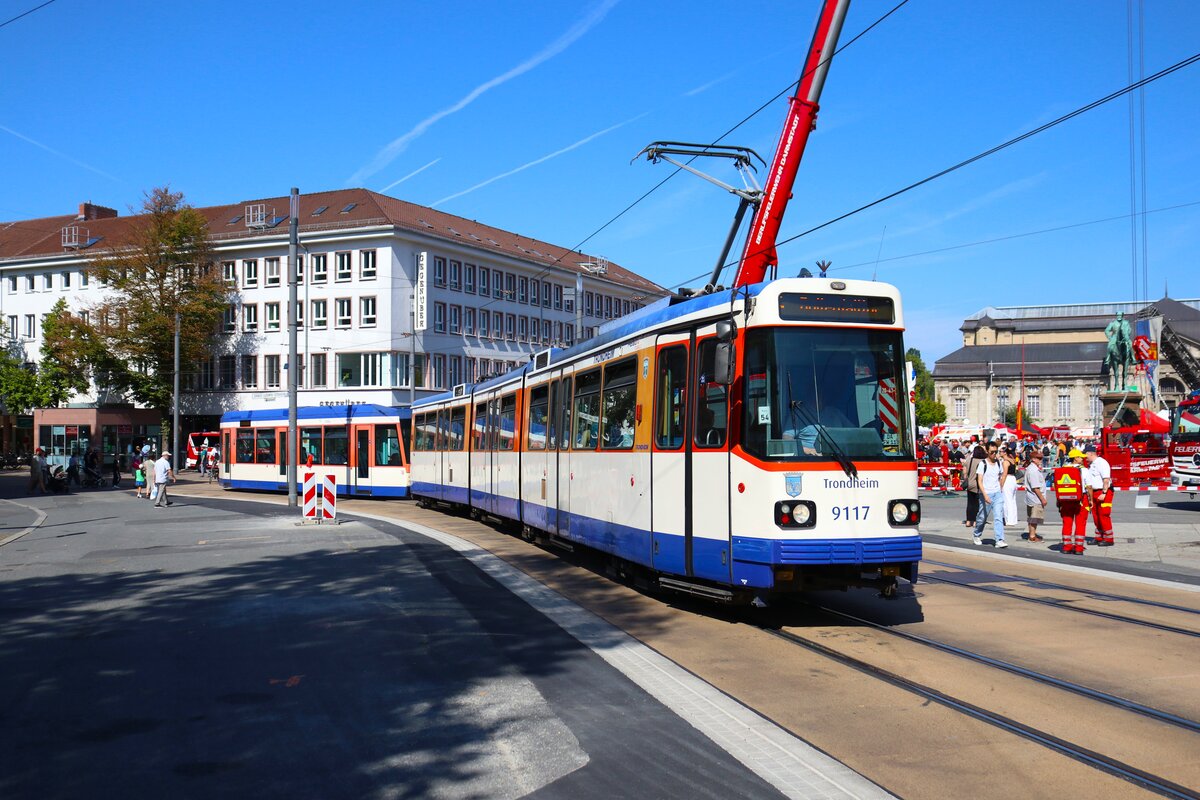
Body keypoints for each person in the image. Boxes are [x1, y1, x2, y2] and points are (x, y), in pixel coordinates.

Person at [1054, 449, 1090, 554]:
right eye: (1080, 457)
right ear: (1075, 458)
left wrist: (1058, 500)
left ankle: (1066, 546)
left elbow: (1057, 485)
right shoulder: (1084, 470)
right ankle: (1078, 548)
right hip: (1080, 499)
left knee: (1067, 522)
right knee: (1080, 523)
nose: (1082, 459)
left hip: (1065, 500)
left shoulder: (1063, 469)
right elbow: (1089, 487)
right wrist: (1091, 500)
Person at [973, 442, 1007, 548]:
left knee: (998, 517)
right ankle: (977, 534)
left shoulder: (998, 463)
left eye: (996, 452)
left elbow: (1000, 476)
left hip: (997, 493)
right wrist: (985, 495)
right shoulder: (983, 464)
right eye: (992, 452)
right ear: (987, 451)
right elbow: (980, 481)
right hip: (986, 493)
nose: (994, 454)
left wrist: (1000, 488)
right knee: (982, 517)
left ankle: (999, 540)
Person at [1084, 444, 1115, 546]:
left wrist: (1104, 493)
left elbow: (1106, 479)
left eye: (1085, 454)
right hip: (1095, 492)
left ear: (1090, 453)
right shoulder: (1092, 464)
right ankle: (1099, 537)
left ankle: (1109, 539)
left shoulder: (1101, 463)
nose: (1085, 457)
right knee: (1096, 516)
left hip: (1103, 492)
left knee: (1104, 515)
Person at [1024, 449, 1048, 543]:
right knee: (1034, 518)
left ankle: (1031, 534)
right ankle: (1032, 536)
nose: (1041, 460)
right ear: (1033, 459)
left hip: (1032, 497)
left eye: (1041, 458)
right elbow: (1035, 487)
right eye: (1039, 458)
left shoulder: (1032, 469)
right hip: (1035, 498)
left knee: (1032, 518)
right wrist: (1043, 499)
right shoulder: (1033, 471)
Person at [962, 444, 985, 527]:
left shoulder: (970, 460)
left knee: (970, 504)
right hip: (979, 484)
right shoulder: (983, 461)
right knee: (977, 504)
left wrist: (966, 477)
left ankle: (968, 521)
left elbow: (964, 469)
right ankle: (975, 521)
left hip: (970, 484)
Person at [1001, 445, 1020, 528]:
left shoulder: (1005, 462)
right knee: (1012, 500)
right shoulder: (1012, 460)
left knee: (1007, 500)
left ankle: (1009, 520)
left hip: (1008, 479)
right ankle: (1013, 519)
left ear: (1005, 452)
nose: (999, 453)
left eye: (1001, 451)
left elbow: (1004, 474)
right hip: (1013, 479)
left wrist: (1001, 484)